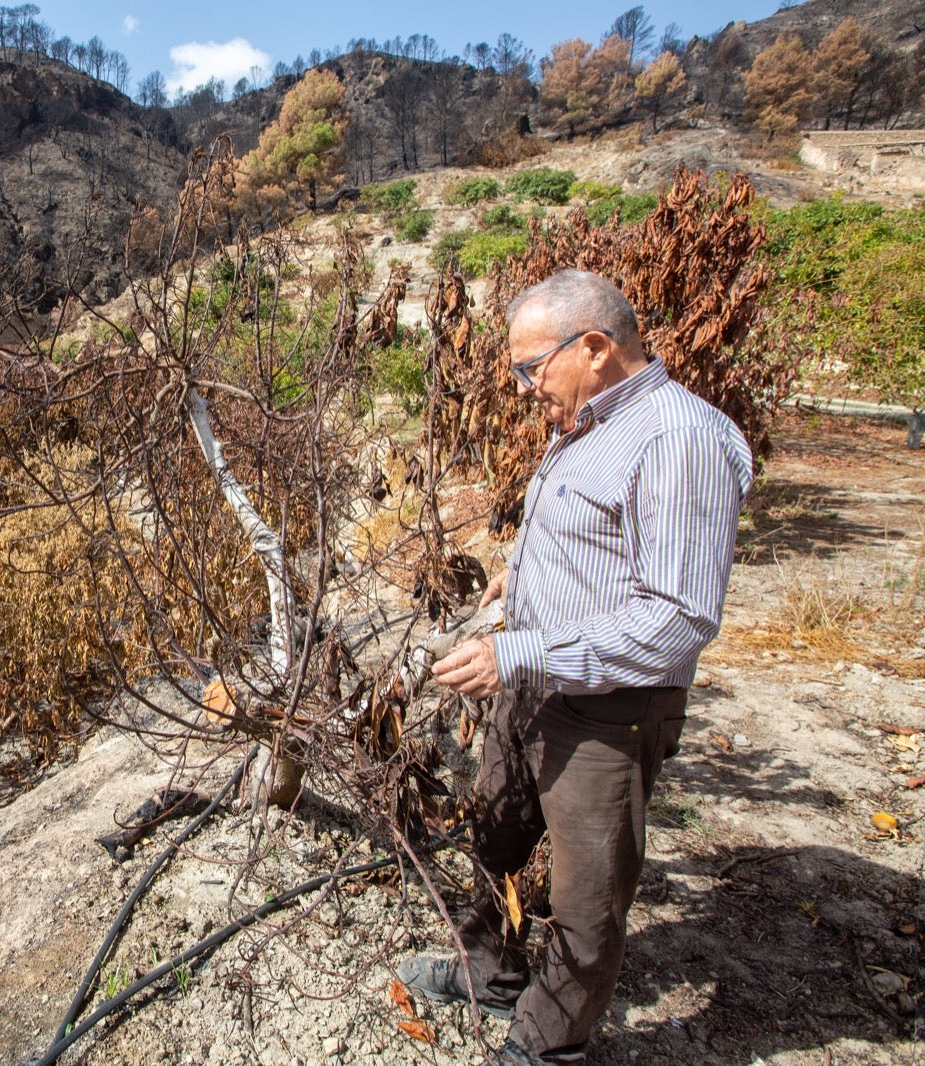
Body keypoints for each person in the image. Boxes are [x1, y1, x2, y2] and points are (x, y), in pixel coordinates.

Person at [398, 269, 754, 1066]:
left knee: (586, 905)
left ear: (593, 348)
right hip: (534, 681)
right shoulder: (590, 421)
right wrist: (519, 574)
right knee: (493, 836)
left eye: (531, 367)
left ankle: (543, 1045)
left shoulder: (678, 439)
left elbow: (675, 621)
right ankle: (487, 973)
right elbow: (594, 531)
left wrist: (520, 650)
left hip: (609, 710)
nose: (524, 387)